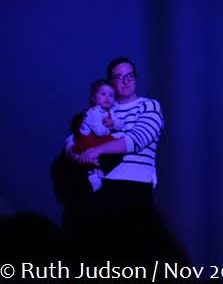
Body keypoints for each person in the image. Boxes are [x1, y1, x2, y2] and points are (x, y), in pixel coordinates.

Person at [68, 57, 164, 209]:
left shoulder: (149, 105)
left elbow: (136, 140)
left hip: (135, 186)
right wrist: (79, 156)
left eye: (130, 75)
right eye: (119, 77)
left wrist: (96, 150)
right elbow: (73, 140)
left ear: (135, 78)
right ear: (111, 82)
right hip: (101, 186)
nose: (126, 81)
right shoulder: (103, 109)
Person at [69, 79, 125, 192]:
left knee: (119, 145)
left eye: (111, 95)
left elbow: (120, 125)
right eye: (103, 94)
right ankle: (93, 172)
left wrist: (113, 123)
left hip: (98, 141)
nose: (107, 98)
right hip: (87, 141)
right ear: (93, 98)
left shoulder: (111, 112)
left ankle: (97, 171)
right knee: (118, 139)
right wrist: (110, 128)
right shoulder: (92, 113)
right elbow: (100, 132)